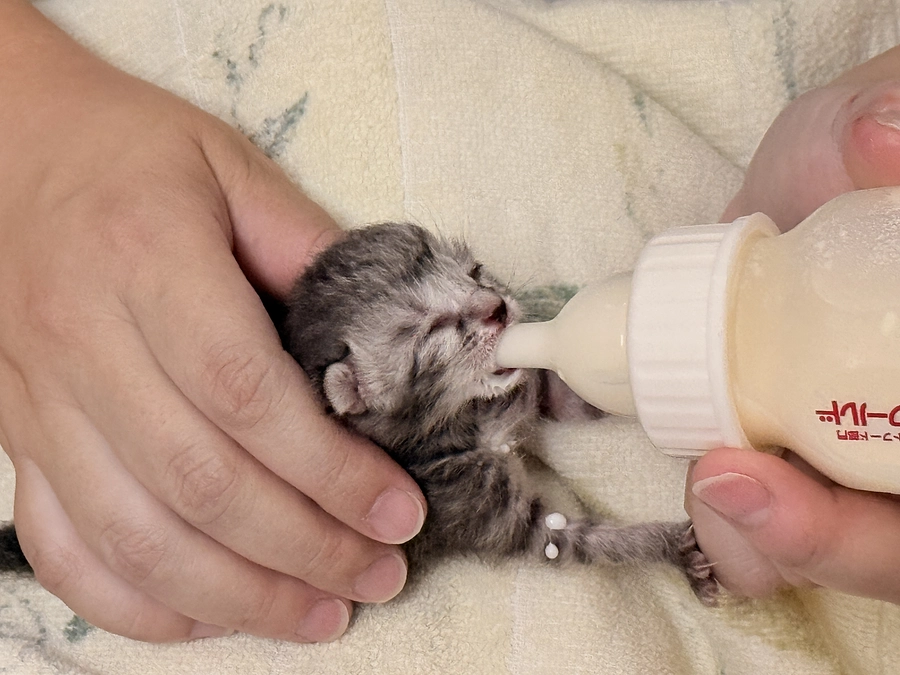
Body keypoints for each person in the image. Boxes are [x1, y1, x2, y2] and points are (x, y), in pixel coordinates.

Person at [2, 0, 899, 646]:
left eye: (469, 270)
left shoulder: (472, 365)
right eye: (439, 331)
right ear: (354, 396)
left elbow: (573, 372)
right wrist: (670, 543)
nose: (494, 306)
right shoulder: (451, 482)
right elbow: (554, 540)